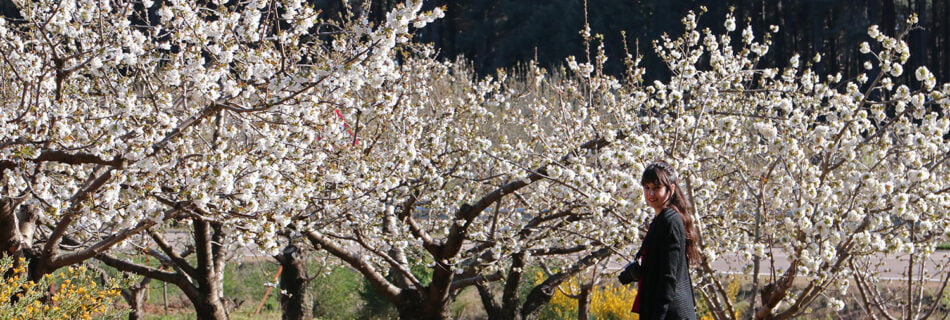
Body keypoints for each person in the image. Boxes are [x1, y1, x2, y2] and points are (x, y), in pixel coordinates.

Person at [634, 161, 700, 319]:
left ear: (671, 189)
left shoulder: (669, 221)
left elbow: (668, 276)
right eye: (647, 188)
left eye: (656, 188)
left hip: (670, 312)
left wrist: (658, 315)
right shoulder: (663, 219)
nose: (650, 194)